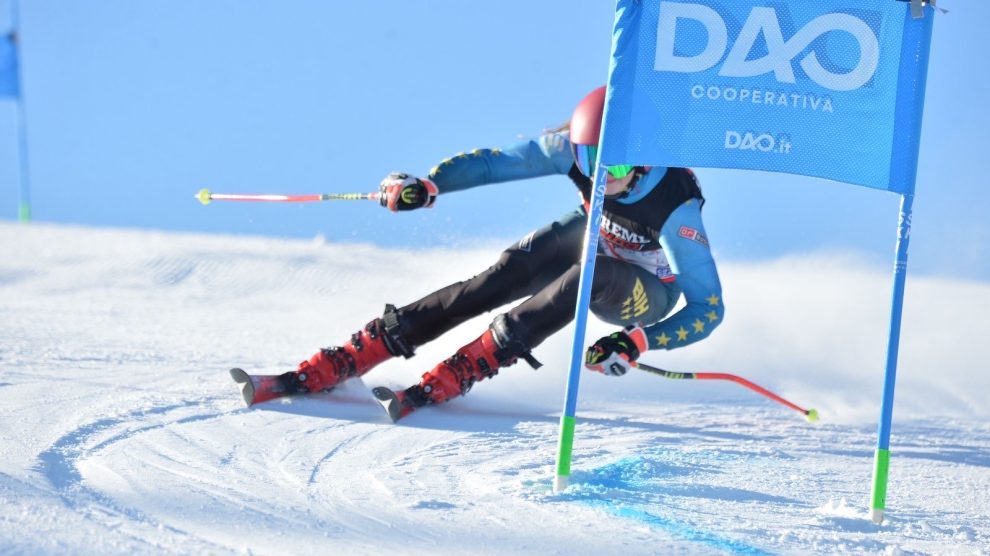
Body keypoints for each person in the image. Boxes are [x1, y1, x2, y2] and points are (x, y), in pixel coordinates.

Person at [280, 86, 724, 416]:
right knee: (505, 274)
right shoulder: (569, 149)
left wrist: (637, 340)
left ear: (643, 160)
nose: (601, 176)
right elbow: (496, 163)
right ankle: (364, 349)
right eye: (591, 161)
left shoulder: (675, 208)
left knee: (593, 273)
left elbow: (708, 308)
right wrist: (430, 184)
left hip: (643, 291)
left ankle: (473, 363)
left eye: (617, 165)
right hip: (594, 235)